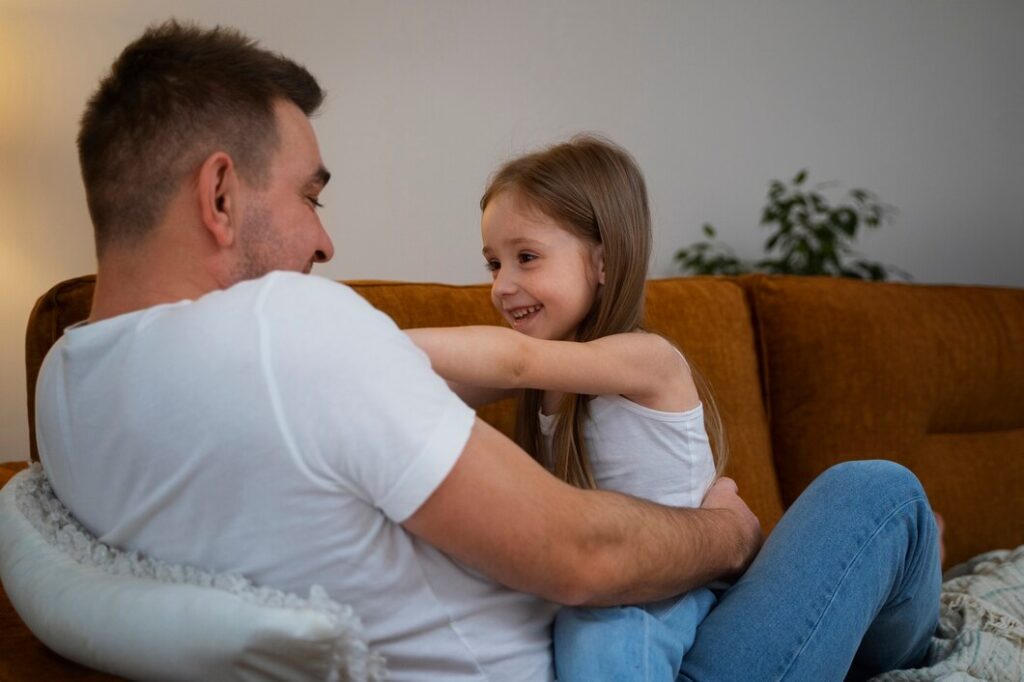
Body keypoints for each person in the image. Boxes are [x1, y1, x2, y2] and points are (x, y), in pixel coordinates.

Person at [33, 19, 939, 681]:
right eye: (312, 195)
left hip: (630, 630)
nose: (325, 242)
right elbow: (583, 557)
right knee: (879, 495)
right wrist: (729, 533)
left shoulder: (70, 380)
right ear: (221, 197)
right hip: (630, 643)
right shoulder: (289, 329)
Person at [406, 136, 728, 679]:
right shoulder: (549, 376)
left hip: (672, 589)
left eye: (526, 258)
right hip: (611, 581)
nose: (501, 286)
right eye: (493, 264)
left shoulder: (647, 360)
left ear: (603, 262)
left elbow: (514, 362)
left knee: (600, 636)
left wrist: (367, 339)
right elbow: (430, 392)